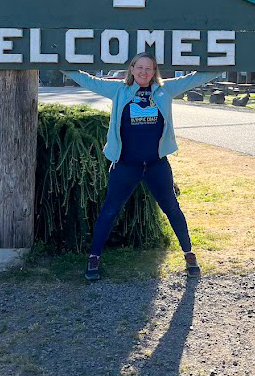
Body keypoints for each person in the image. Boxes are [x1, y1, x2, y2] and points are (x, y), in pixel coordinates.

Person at [63, 55, 215, 280]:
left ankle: (189, 253)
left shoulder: (165, 90)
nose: (144, 72)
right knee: (110, 210)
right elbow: (87, 79)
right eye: (140, 67)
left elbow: (197, 78)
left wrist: (228, 65)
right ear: (132, 69)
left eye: (149, 69)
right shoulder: (118, 90)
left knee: (172, 209)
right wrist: (58, 64)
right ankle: (94, 257)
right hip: (126, 165)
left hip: (156, 165)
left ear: (155, 72)